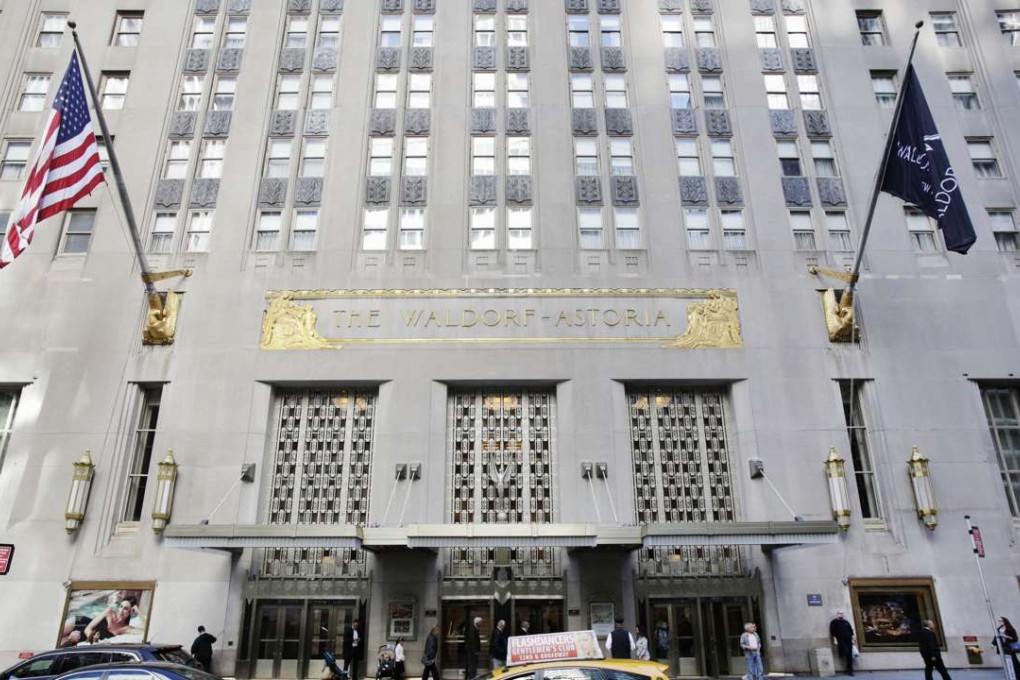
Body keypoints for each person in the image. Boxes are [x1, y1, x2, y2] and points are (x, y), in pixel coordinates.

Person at [830, 611, 856, 676]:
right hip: (841, 640)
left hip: (848, 640)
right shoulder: (834, 622)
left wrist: (853, 638)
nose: (841, 615)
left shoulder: (846, 622)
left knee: (849, 655)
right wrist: (835, 640)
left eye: (842, 614)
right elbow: (832, 632)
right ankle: (848, 669)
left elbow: (851, 630)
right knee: (845, 653)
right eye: (839, 613)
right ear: (837, 615)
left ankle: (849, 670)